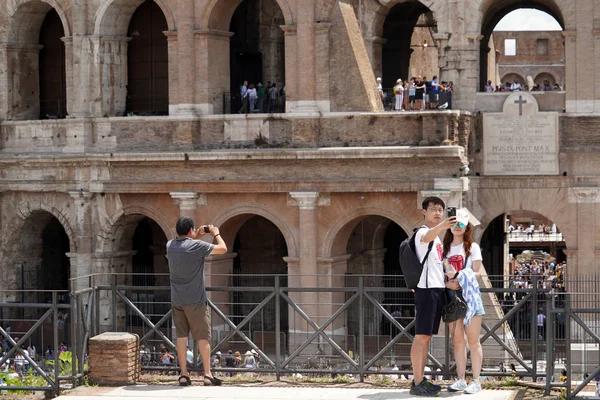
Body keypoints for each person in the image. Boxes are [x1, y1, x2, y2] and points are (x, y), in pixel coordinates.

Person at [167, 216, 228, 386]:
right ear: (191, 230)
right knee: (202, 337)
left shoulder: (170, 246)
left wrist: (197, 235)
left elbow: (185, 244)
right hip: (196, 300)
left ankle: (184, 374)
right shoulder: (197, 246)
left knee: (181, 337)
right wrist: (216, 233)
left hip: (177, 299)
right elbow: (223, 249)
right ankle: (207, 374)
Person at [409, 196, 457, 396]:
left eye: (441, 210)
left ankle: (421, 379)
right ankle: (417, 382)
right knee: (421, 336)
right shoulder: (423, 232)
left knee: (427, 336)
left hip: (436, 290)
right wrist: (444, 225)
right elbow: (425, 237)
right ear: (424, 212)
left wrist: (449, 274)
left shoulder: (437, 238)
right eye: (434, 209)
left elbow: (437, 264)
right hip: (426, 291)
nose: (438, 213)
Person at [442, 208, 485, 394]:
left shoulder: (473, 247)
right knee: (458, 340)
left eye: (461, 223)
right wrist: (447, 284)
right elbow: (438, 272)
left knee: (473, 340)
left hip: (470, 298)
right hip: (451, 297)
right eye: (454, 223)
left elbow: (477, 273)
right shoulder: (443, 248)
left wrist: (459, 276)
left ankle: (476, 380)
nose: (457, 227)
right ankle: (460, 378)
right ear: (449, 225)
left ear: (466, 226)